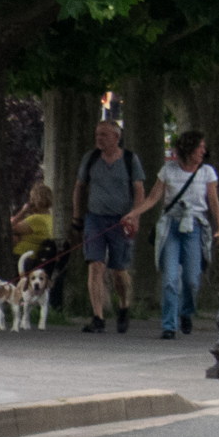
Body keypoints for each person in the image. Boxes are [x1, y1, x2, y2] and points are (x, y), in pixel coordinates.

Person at [70, 119, 152, 333]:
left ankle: (123, 305)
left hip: (121, 220)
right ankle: (98, 316)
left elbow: (139, 190)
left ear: (117, 137)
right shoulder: (90, 159)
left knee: (119, 270)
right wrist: (77, 217)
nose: (99, 138)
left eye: (104, 135)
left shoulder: (130, 160)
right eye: (98, 134)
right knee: (95, 265)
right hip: (95, 219)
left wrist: (135, 216)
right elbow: (79, 187)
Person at [148, 130, 219, 339]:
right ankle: (169, 325)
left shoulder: (207, 172)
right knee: (170, 279)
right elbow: (154, 198)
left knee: (192, 279)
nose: (203, 151)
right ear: (188, 149)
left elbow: (214, 203)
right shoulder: (168, 170)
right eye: (200, 147)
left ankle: (186, 312)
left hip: (194, 226)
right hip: (171, 225)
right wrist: (134, 214)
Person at [9, 181, 54, 260]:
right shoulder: (49, 219)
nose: (30, 201)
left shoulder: (37, 219)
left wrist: (23, 212)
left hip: (21, 259)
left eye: (31, 198)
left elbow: (9, 227)